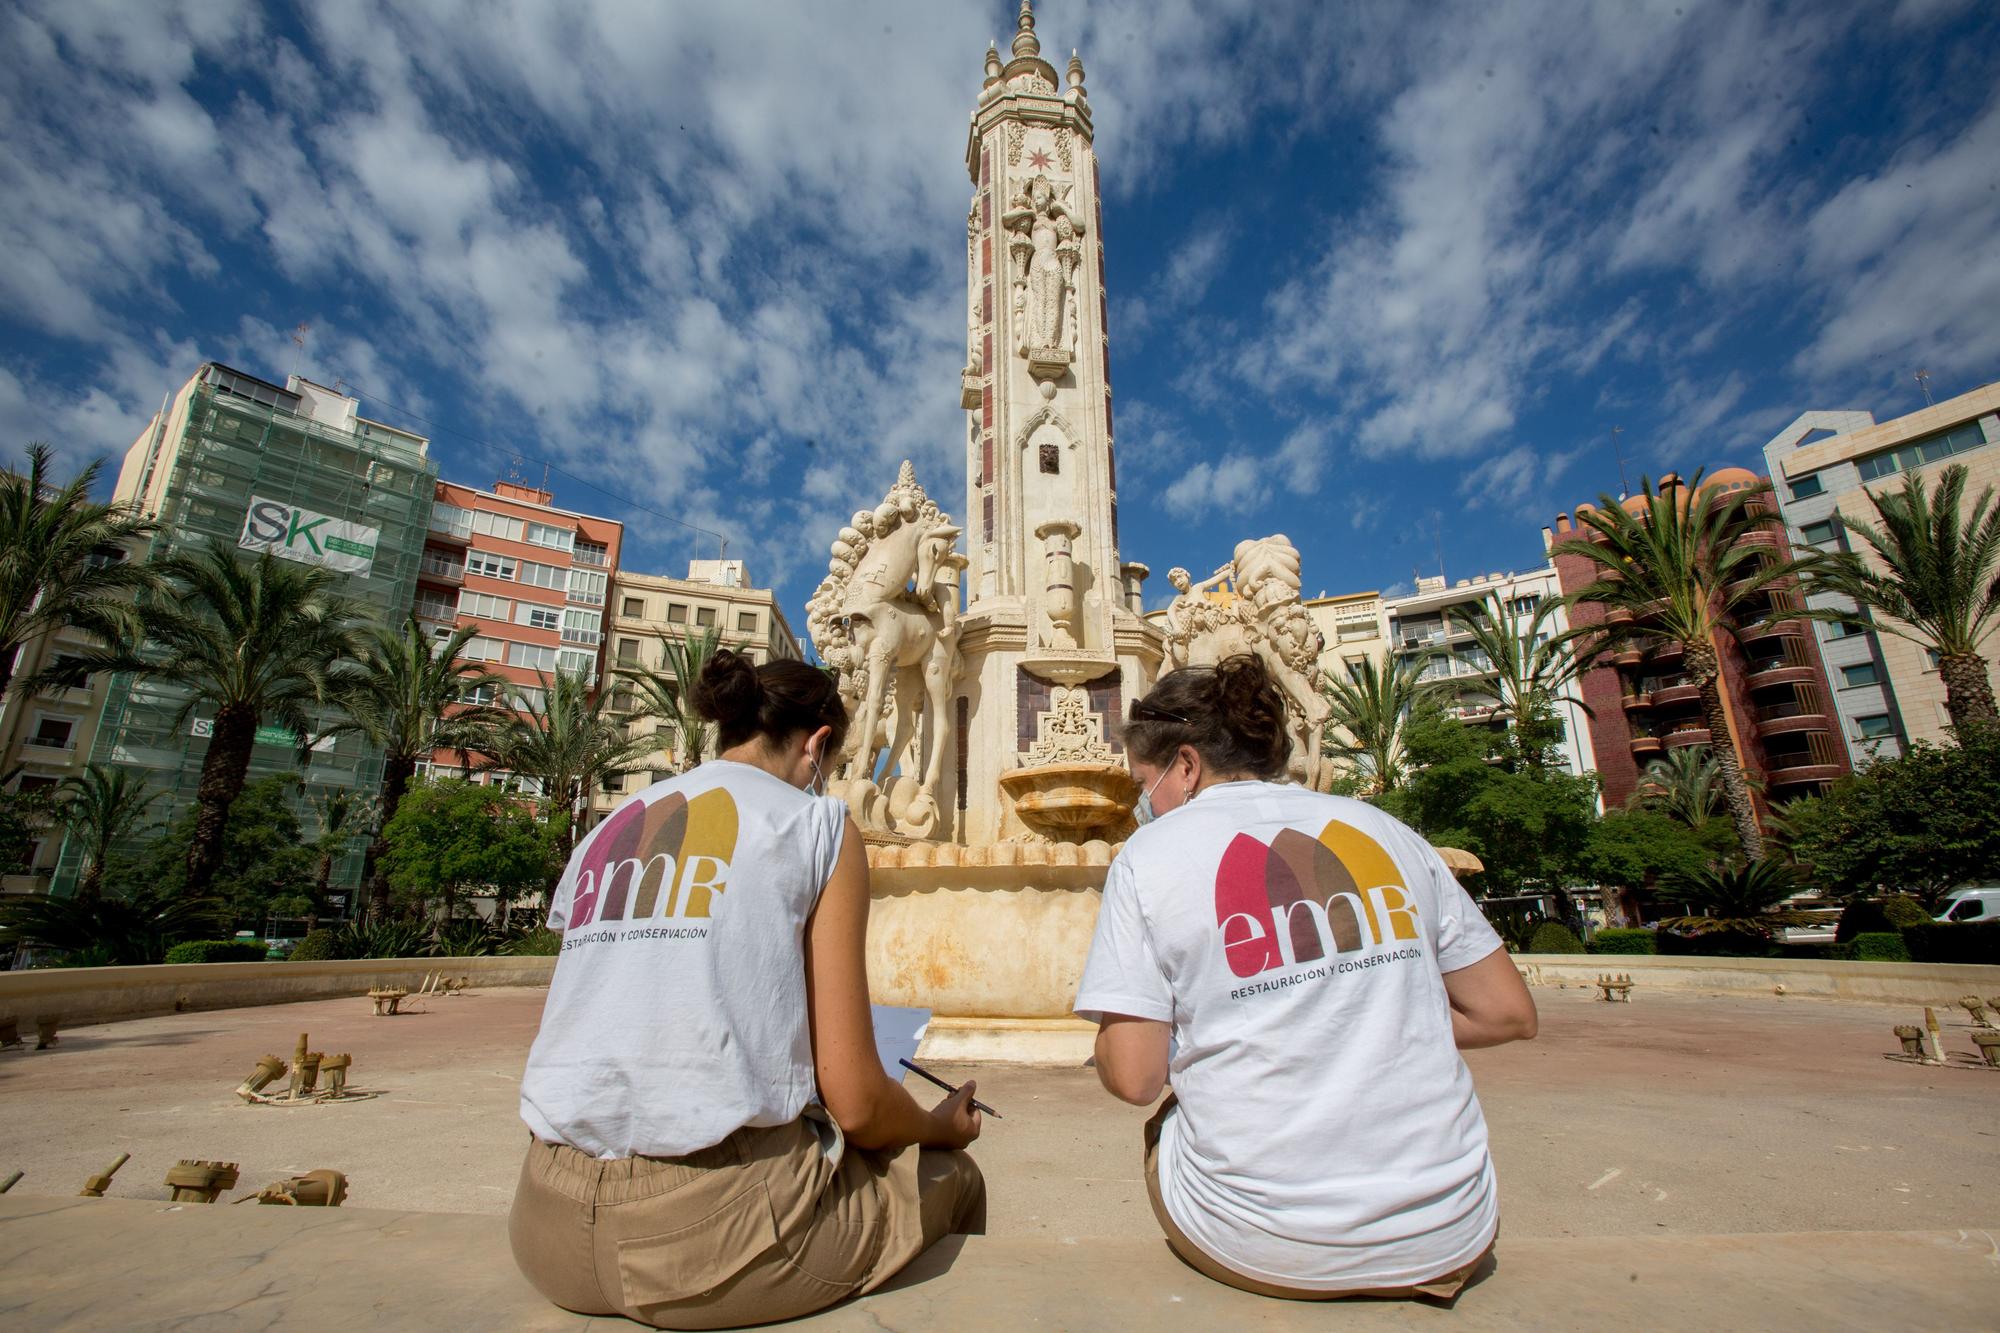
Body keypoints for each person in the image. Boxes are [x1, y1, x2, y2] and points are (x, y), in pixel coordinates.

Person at [510, 650, 984, 1329]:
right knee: (953, 1180)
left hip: (545, 1223)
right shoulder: (816, 824)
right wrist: (939, 1127)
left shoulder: (608, 830)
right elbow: (855, 1102)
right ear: (817, 746)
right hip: (701, 1241)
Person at [1075, 654, 1536, 1301]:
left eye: (1142, 783)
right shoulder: (1389, 833)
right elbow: (1508, 1012)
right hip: (1454, 1228)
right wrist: (1367, 1021)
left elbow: (1134, 1076)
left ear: (1186, 765)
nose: (1142, 805)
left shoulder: (1151, 855)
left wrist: (1109, 1037)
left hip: (1267, 1243)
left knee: (1172, 1114)